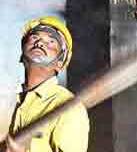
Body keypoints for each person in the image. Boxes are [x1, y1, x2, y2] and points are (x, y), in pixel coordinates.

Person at [5, 17, 89, 152]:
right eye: (34, 38)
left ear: (59, 64)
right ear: (21, 55)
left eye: (51, 42)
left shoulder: (67, 106)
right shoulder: (21, 102)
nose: (39, 43)